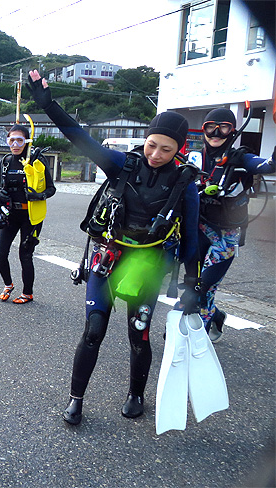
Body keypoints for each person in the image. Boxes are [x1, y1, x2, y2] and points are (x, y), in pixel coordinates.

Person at [27, 70, 201, 425]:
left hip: (148, 266)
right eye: (152, 144)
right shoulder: (122, 164)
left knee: (139, 333)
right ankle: (76, 399)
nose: (155, 153)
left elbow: (193, 239)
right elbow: (80, 138)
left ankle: (136, 393)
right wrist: (48, 105)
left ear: (179, 149)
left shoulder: (186, 185)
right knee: (93, 330)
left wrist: (191, 284)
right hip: (108, 257)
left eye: (166, 149)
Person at [195, 108, 275, 342]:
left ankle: (197, 334)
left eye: (224, 127)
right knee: (194, 283)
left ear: (232, 131)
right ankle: (216, 317)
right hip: (198, 228)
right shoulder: (195, 156)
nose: (216, 132)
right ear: (203, 129)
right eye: (211, 126)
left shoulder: (242, 159)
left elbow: (268, 165)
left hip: (226, 235)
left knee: (205, 284)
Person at [0, 123, 56, 304]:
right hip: (10, 215)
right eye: (11, 140)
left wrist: (39, 196)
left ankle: (28, 293)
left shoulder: (37, 162)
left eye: (20, 140)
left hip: (31, 217)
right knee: (0, 253)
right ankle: (8, 284)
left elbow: (51, 189)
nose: (15, 144)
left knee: (25, 254)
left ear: (27, 142)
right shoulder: (6, 161)